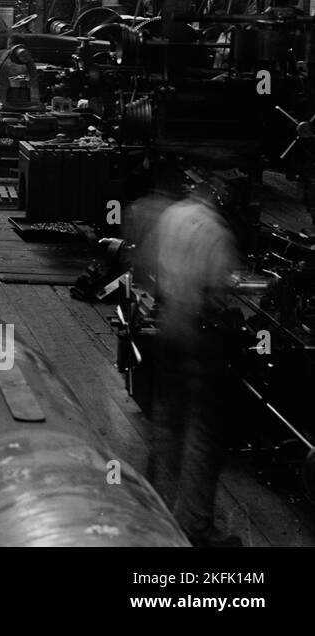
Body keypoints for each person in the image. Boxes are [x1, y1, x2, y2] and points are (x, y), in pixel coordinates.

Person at [129, 191, 243, 547]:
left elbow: (145, 264)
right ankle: (194, 525)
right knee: (203, 437)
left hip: (168, 330)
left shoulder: (175, 215)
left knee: (167, 425)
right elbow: (221, 289)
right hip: (199, 335)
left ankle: (155, 510)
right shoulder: (217, 233)